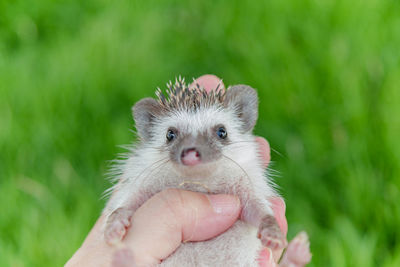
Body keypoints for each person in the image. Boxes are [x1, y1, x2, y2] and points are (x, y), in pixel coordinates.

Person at [66, 75, 288, 267]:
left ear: (243, 118)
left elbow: (255, 206)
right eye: (172, 136)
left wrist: (266, 223)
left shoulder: (243, 166)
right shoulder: (151, 172)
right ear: (149, 128)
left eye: (219, 133)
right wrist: (119, 215)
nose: (192, 148)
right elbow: (129, 201)